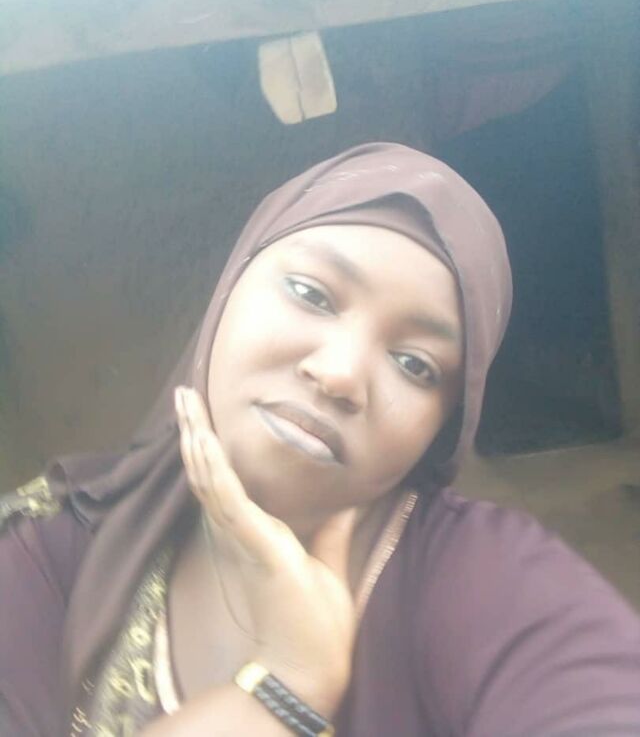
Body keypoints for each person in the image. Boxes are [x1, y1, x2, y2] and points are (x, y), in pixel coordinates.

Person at [1, 143, 639, 737]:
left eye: (414, 364)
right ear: (228, 291)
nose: (340, 375)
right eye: (311, 294)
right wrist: (284, 692)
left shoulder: (491, 585)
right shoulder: (51, 549)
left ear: (443, 426)